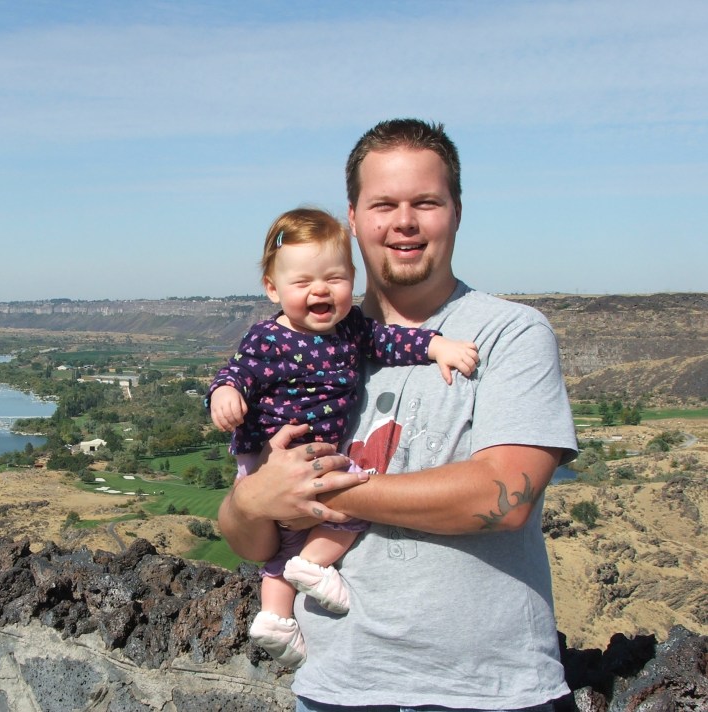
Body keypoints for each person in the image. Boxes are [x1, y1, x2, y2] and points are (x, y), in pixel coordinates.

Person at [218, 119, 578, 712]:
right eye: (383, 204)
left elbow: (503, 500)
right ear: (353, 219)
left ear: (456, 212)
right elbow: (250, 539)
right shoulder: (299, 345)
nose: (404, 222)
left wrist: (320, 489)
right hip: (336, 690)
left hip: (488, 692)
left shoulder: (510, 334)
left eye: (426, 203)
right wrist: (255, 498)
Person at [207, 208, 479, 669]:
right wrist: (226, 394)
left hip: (305, 455)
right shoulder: (267, 339)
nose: (320, 290)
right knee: (354, 498)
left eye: (334, 278)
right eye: (302, 282)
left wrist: (436, 346)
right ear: (273, 289)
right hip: (278, 455)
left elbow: (390, 342)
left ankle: (275, 618)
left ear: (353, 280)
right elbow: (236, 373)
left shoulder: (351, 327)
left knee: (286, 540)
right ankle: (315, 564)